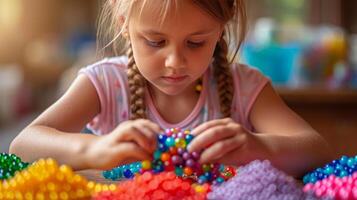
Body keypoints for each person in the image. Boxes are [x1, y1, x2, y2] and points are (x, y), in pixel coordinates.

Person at [10, 0, 332, 177]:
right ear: (124, 23)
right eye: (155, 41)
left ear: (222, 27)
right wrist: (95, 150)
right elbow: (23, 146)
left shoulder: (244, 87)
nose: (175, 62)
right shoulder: (105, 83)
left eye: (195, 43)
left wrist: (257, 148)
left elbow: (318, 151)